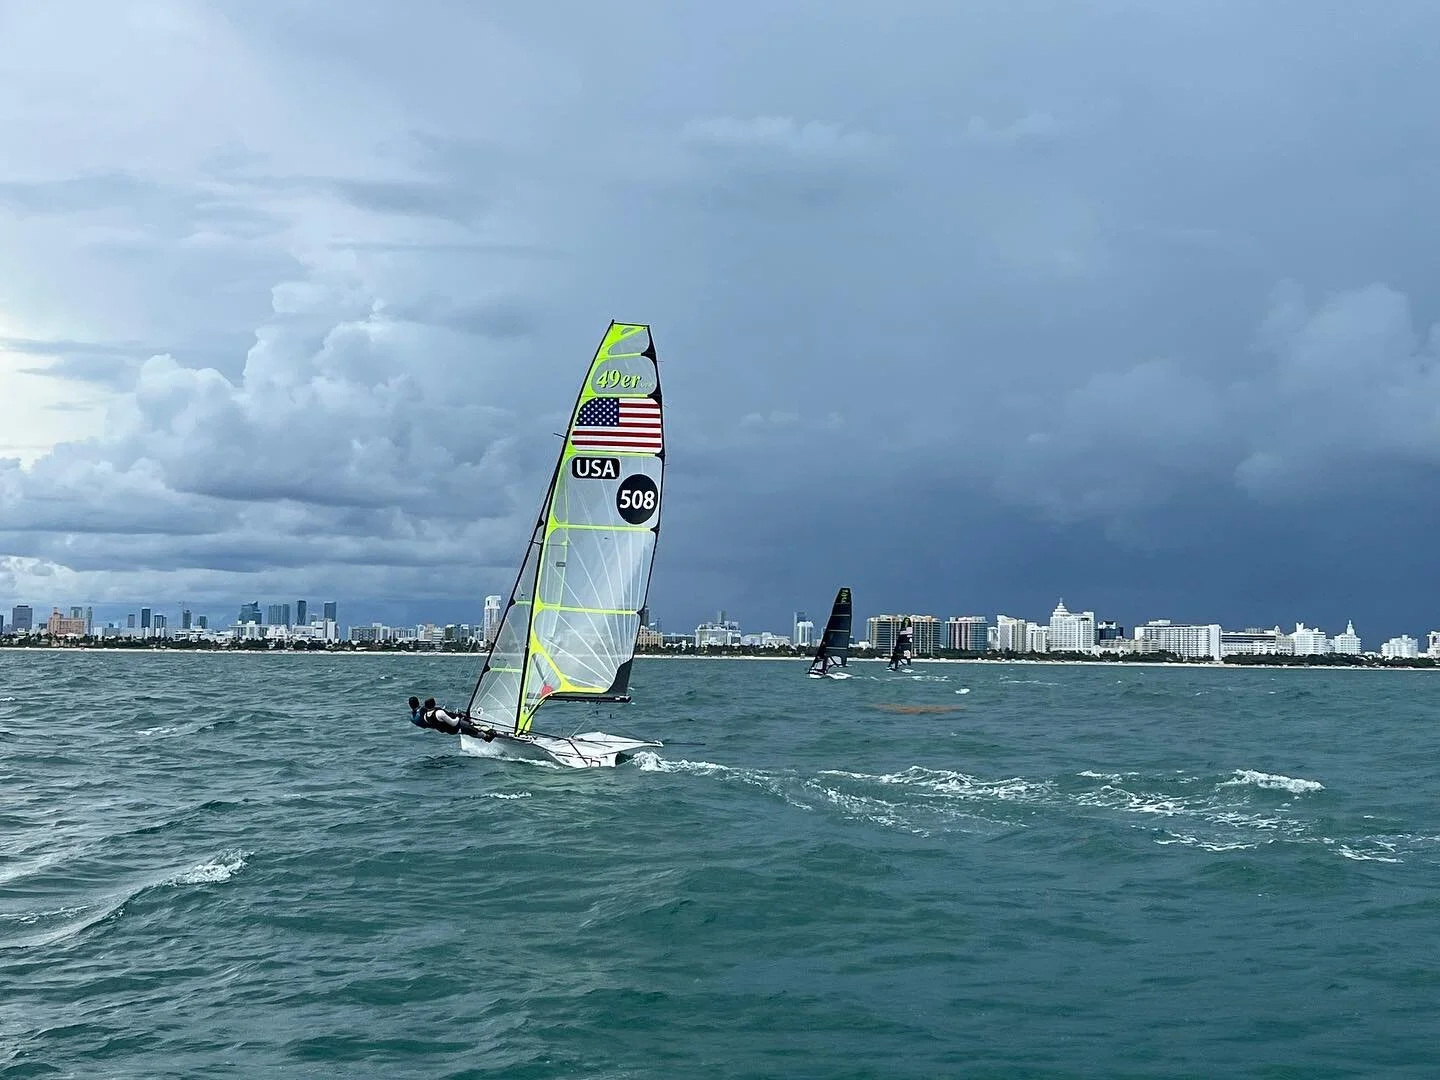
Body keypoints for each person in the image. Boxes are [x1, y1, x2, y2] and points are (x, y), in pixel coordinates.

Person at [408, 696, 489, 739]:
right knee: (469, 727)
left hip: (444, 729)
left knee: (467, 732)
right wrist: (458, 716)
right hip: (452, 726)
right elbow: (453, 723)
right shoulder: (432, 712)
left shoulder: (415, 717)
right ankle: (487, 735)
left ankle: (484, 735)